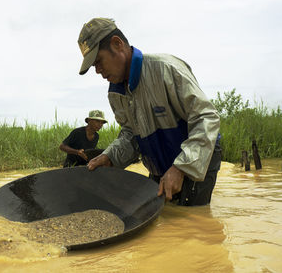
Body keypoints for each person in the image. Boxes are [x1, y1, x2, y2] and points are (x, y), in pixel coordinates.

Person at [77, 17, 221, 206]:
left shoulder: (166, 69)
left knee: (191, 218)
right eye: (94, 66)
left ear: (117, 44)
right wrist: (110, 156)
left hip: (197, 157)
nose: (98, 71)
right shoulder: (115, 93)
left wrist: (181, 168)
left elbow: (206, 117)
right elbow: (130, 135)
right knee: (157, 216)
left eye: (98, 61)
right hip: (158, 160)